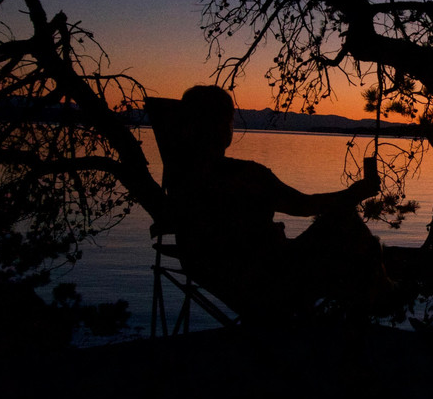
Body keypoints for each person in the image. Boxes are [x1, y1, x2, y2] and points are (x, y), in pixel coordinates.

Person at [167, 84, 390, 323]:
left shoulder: (181, 177)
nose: (229, 127)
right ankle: (382, 299)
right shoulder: (246, 176)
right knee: (344, 220)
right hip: (272, 279)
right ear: (221, 127)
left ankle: (371, 301)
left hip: (217, 275)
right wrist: (354, 194)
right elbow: (303, 206)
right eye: (228, 120)